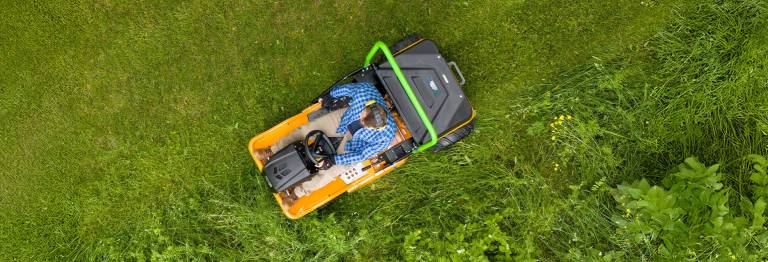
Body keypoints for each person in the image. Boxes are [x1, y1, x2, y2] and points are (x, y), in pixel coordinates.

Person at [252, 82, 397, 207]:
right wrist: (330, 96)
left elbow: (361, 155)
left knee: (330, 173)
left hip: (355, 146)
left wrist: (333, 160)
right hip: (342, 119)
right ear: (368, 105)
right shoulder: (365, 92)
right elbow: (346, 89)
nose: (361, 122)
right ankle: (272, 150)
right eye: (362, 116)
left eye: (365, 125)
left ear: (377, 128)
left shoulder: (386, 135)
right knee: (305, 131)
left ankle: (297, 193)